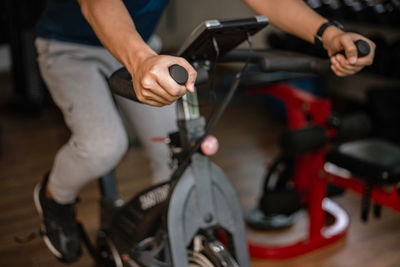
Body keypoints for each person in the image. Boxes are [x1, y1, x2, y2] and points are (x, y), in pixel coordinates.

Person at [33, 0, 375, 263]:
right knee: (103, 145)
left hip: (143, 46)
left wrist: (331, 33)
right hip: (70, 49)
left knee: (177, 155)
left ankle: (162, 241)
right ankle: (53, 197)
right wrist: (139, 62)